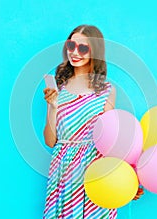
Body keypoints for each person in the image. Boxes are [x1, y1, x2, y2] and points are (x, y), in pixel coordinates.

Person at [42, 24, 142, 219]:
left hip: (95, 168)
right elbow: (50, 141)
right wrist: (53, 107)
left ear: (94, 51)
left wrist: (129, 177)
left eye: (83, 48)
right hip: (63, 168)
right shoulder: (57, 87)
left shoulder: (106, 90)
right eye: (71, 46)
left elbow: (114, 139)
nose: (75, 53)